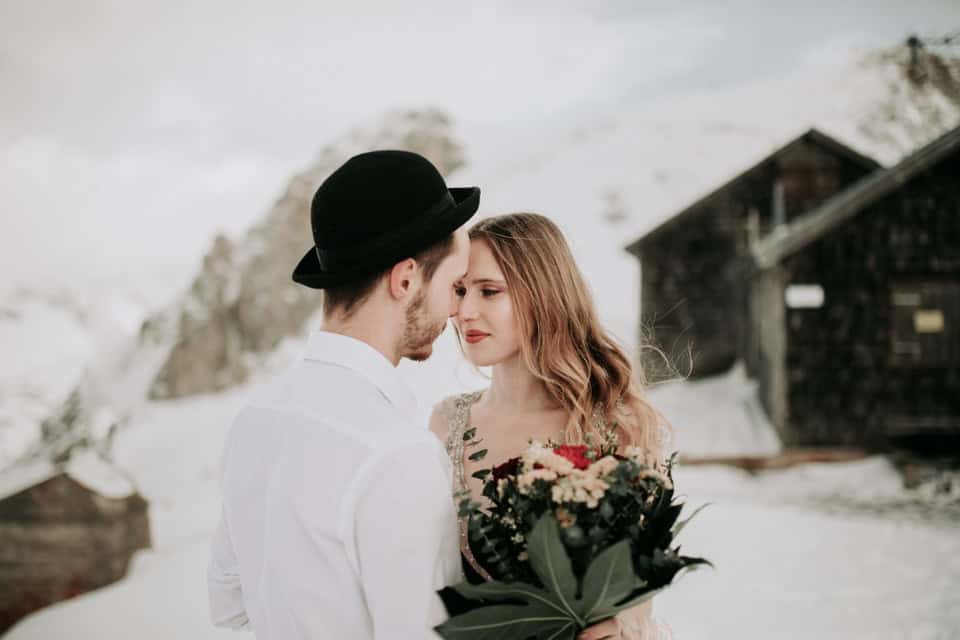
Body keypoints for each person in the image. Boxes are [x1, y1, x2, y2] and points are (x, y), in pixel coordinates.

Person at [208, 150, 479, 639]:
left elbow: (231, 604)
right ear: (405, 279)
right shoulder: (399, 455)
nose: (457, 310)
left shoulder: (255, 418)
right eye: (455, 286)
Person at [430, 212, 671, 640]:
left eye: (489, 291)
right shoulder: (447, 423)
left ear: (541, 294)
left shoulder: (616, 424)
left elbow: (638, 591)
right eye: (461, 291)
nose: (465, 311)